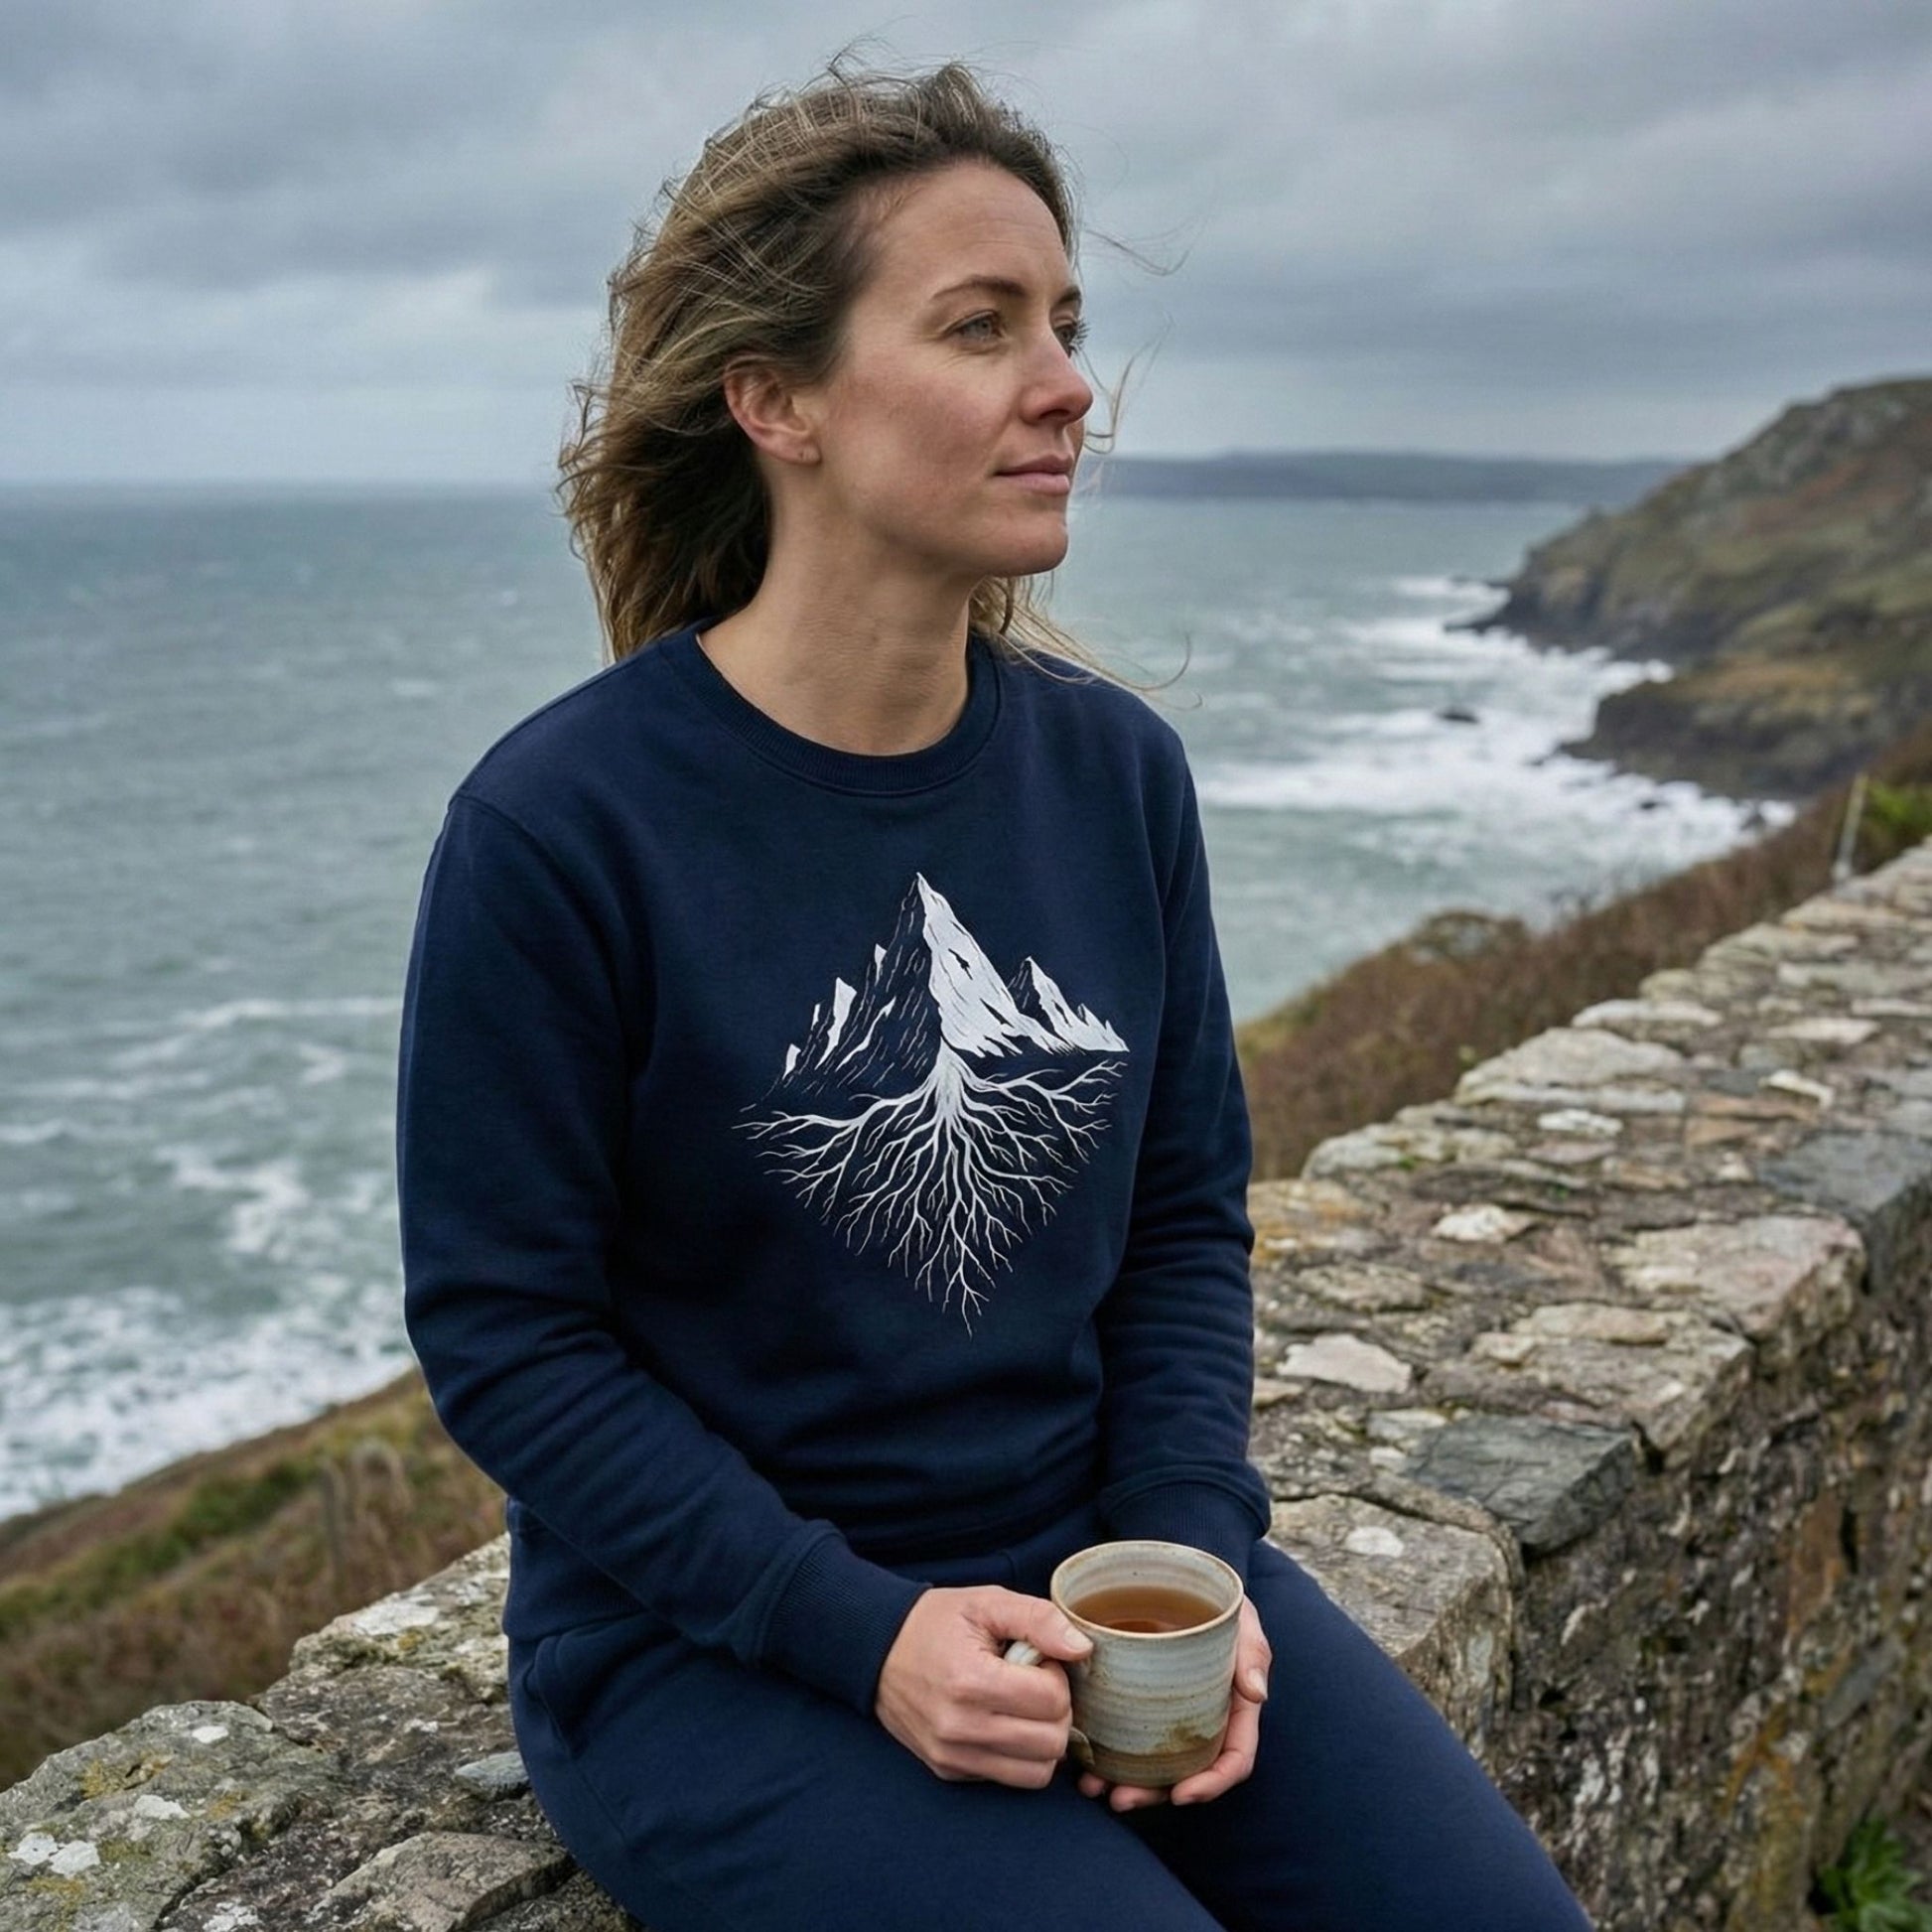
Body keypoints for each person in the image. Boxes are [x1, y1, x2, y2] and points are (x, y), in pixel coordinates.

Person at [397, 61, 1593, 1932]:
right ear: (775, 398)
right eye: (980, 327)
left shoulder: (1117, 778)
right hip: (720, 1655)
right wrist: (864, 1635)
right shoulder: (561, 828)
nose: (1067, 388)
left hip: (1100, 1577)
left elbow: (1184, 1224)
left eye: (1065, 325)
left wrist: (1187, 1568)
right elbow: (507, 1335)